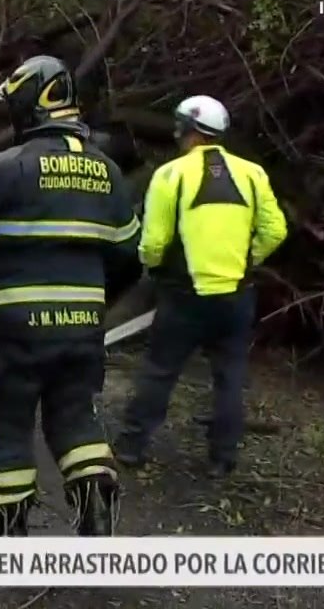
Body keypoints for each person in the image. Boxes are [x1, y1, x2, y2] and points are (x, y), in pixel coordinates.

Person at [0, 55, 142, 537]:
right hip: (82, 328)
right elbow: (129, 257)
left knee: (5, 421)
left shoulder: (5, 168)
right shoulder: (110, 174)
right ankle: (95, 504)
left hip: (12, 330)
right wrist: (91, 303)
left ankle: (11, 536)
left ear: (30, 106)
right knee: (75, 415)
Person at [114, 95, 288, 478]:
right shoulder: (252, 173)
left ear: (187, 130)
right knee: (229, 375)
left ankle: (130, 447)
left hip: (184, 294)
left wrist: (153, 267)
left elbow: (154, 242)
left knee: (160, 370)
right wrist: (247, 260)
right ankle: (222, 459)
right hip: (236, 294)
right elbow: (276, 229)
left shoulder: (170, 175)